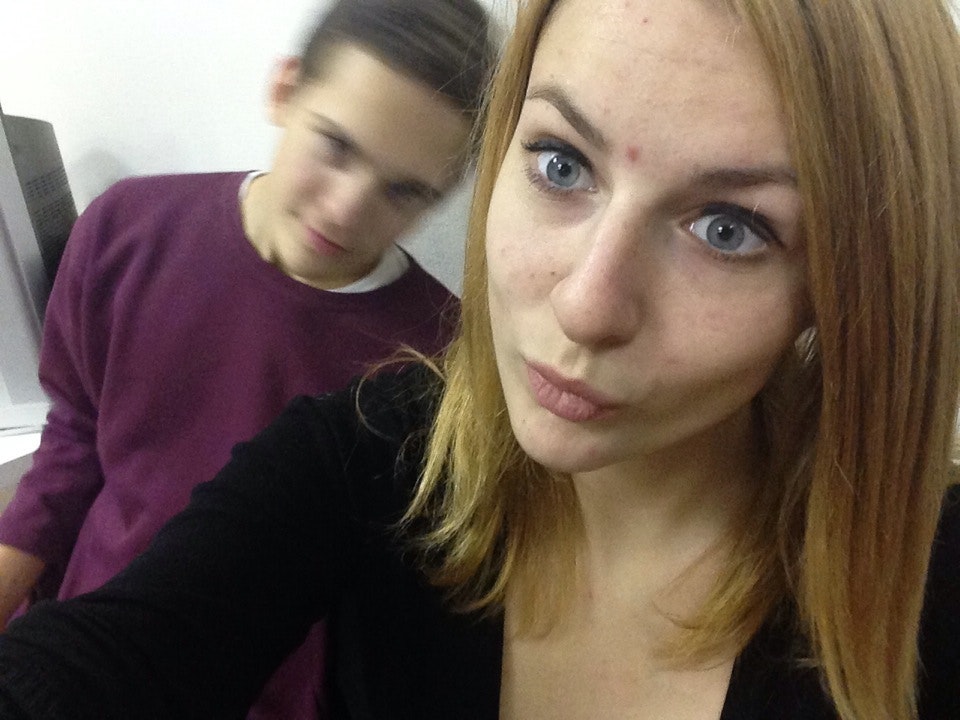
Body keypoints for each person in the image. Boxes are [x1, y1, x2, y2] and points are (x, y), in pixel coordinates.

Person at [0, 0, 957, 718]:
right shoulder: (372, 452)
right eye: (561, 163)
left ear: (844, 284)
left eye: (729, 227)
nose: (585, 307)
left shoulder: (930, 584)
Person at [0, 0, 495, 718]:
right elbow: (74, 441)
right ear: (285, 90)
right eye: (336, 146)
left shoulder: (435, 366)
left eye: (404, 190)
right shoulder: (125, 229)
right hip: (88, 661)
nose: (347, 208)